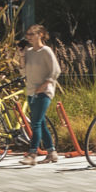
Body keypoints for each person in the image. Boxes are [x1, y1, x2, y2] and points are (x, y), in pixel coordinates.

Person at [21, 24, 61, 166]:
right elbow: (23, 72)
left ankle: (32, 154)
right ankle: (52, 153)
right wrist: (21, 56)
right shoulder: (29, 52)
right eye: (28, 35)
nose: (29, 37)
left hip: (44, 92)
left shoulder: (46, 51)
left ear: (40, 35)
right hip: (31, 91)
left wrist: (45, 85)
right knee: (41, 123)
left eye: (32, 34)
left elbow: (56, 70)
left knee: (36, 123)